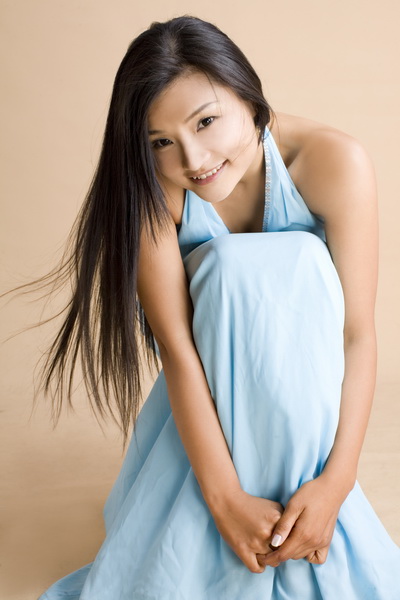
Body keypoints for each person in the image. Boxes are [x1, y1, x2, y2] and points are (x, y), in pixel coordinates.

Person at [34, 15, 400, 600]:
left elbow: (357, 334)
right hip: (209, 419)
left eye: (206, 121)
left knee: (299, 260)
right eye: (161, 141)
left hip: (309, 420)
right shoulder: (153, 194)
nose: (194, 158)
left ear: (249, 96)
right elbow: (179, 353)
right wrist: (224, 499)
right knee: (229, 269)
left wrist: (337, 482)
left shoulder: (334, 162)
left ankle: (302, 516)